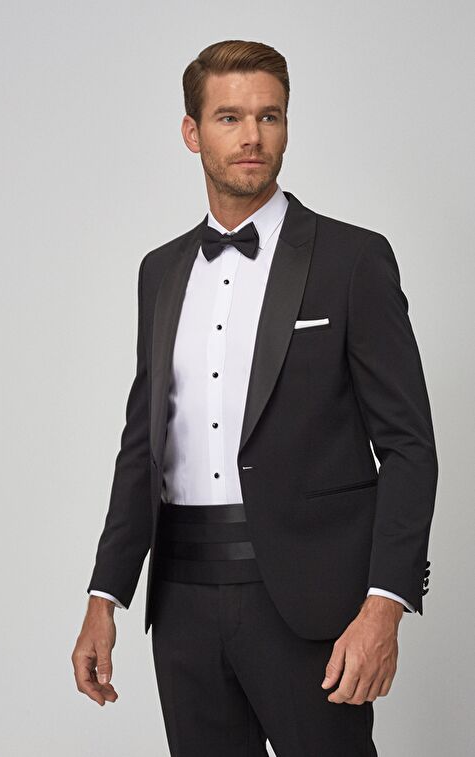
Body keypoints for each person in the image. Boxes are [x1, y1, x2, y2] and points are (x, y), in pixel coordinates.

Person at [72, 39, 438, 756]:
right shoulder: (160, 271)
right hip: (181, 601)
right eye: (229, 117)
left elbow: (408, 446)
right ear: (192, 132)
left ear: (286, 126)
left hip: (313, 604)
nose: (252, 136)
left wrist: (385, 604)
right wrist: (105, 595)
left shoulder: (352, 259)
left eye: (269, 116)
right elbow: (142, 446)